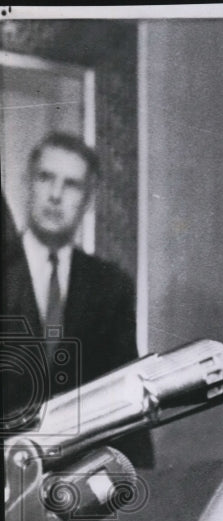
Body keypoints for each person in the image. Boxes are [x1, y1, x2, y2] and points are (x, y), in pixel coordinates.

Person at [1, 133, 153, 468]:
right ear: (28, 183)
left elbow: (126, 393)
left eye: (71, 185)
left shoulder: (111, 287)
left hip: (76, 486)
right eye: (45, 178)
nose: (55, 195)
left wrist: (138, 482)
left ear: (88, 199)